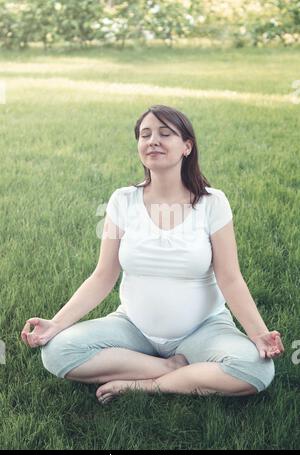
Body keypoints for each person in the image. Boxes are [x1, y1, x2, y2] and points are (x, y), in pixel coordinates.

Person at [21, 104, 284, 405]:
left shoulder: (213, 203)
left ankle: (146, 384)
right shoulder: (123, 201)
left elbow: (230, 277)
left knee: (256, 369)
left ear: (187, 146)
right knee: (57, 351)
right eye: (145, 134)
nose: (152, 141)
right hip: (133, 327)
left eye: (165, 133)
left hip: (202, 330)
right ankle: (170, 368)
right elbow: (103, 276)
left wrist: (258, 333)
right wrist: (56, 324)